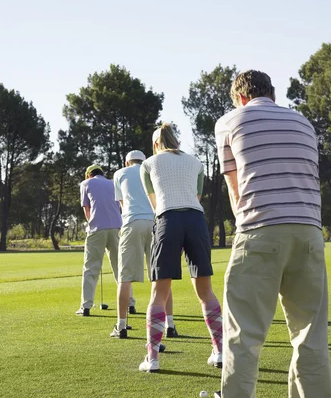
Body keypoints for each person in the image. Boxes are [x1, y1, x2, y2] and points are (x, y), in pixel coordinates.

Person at [198, 70, 331, 398]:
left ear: (239, 97)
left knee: (243, 334)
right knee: (310, 332)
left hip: (260, 230)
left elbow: (234, 189)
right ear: (271, 95)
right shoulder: (303, 122)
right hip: (308, 232)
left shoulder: (229, 121)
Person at [138, 123, 223, 372]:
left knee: (159, 293)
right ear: (176, 140)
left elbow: (154, 203)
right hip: (196, 221)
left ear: (155, 144)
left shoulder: (148, 164)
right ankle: (219, 352)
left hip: (168, 220)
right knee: (205, 290)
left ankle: (152, 358)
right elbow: (196, 198)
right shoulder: (196, 162)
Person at [110, 150, 177, 339]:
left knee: (125, 278)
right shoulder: (152, 170)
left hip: (132, 223)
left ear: (127, 161)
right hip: (155, 223)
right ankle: (170, 325)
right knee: (162, 277)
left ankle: (121, 326)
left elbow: (123, 204)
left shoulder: (119, 173)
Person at [75, 164, 134, 317]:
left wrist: (91, 224)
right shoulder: (113, 183)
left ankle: (86, 306)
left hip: (97, 229)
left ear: (89, 174)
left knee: (91, 268)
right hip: (117, 228)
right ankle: (130, 304)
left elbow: (87, 210)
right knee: (120, 267)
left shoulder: (85, 184)